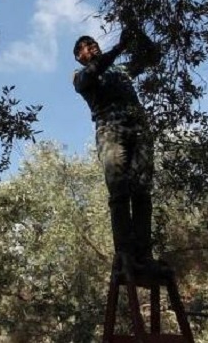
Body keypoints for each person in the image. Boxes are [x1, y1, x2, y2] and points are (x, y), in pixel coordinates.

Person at [73, 28, 159, 271]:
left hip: (140, 131)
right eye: (86, 45)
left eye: (93, 42)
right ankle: (125, 253)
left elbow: (152, 57)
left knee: (142, 191)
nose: (92, 46)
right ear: (79, 57)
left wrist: (137, 29)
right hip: (111, 132)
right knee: (119, 192)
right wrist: (120, 47)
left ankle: (144, 254)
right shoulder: (80, 76)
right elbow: (94, 71)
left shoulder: (120, 70)